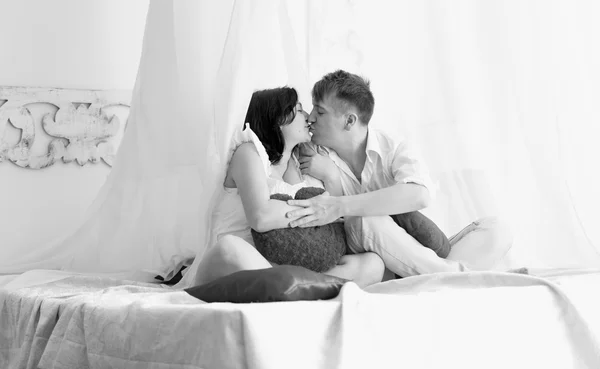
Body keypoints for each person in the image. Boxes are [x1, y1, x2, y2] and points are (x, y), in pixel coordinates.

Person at [287, 70, 514, 277]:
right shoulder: (312, 155)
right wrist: (332, 179)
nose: (310, 117)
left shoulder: (391, 147)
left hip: (410, 253)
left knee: (496, 229)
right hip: (367, 258)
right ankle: (449, 277)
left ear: (349, 121)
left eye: (320, 111)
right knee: (366, 220)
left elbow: (420, 195)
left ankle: (440, 276)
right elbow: (325, 231)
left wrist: (340, 204)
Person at [191, 87, 384, 287]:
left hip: (277, 267)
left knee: (372, 264)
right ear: (278, 120)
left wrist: (331, 176)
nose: (308, 117)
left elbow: (332, 224)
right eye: (299, 110)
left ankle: (297, 287)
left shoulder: (299, 164)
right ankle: (304, 287)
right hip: (240, 262)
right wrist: (316, 208)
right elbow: (261, 217)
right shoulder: (248, 153)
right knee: (230, 248)